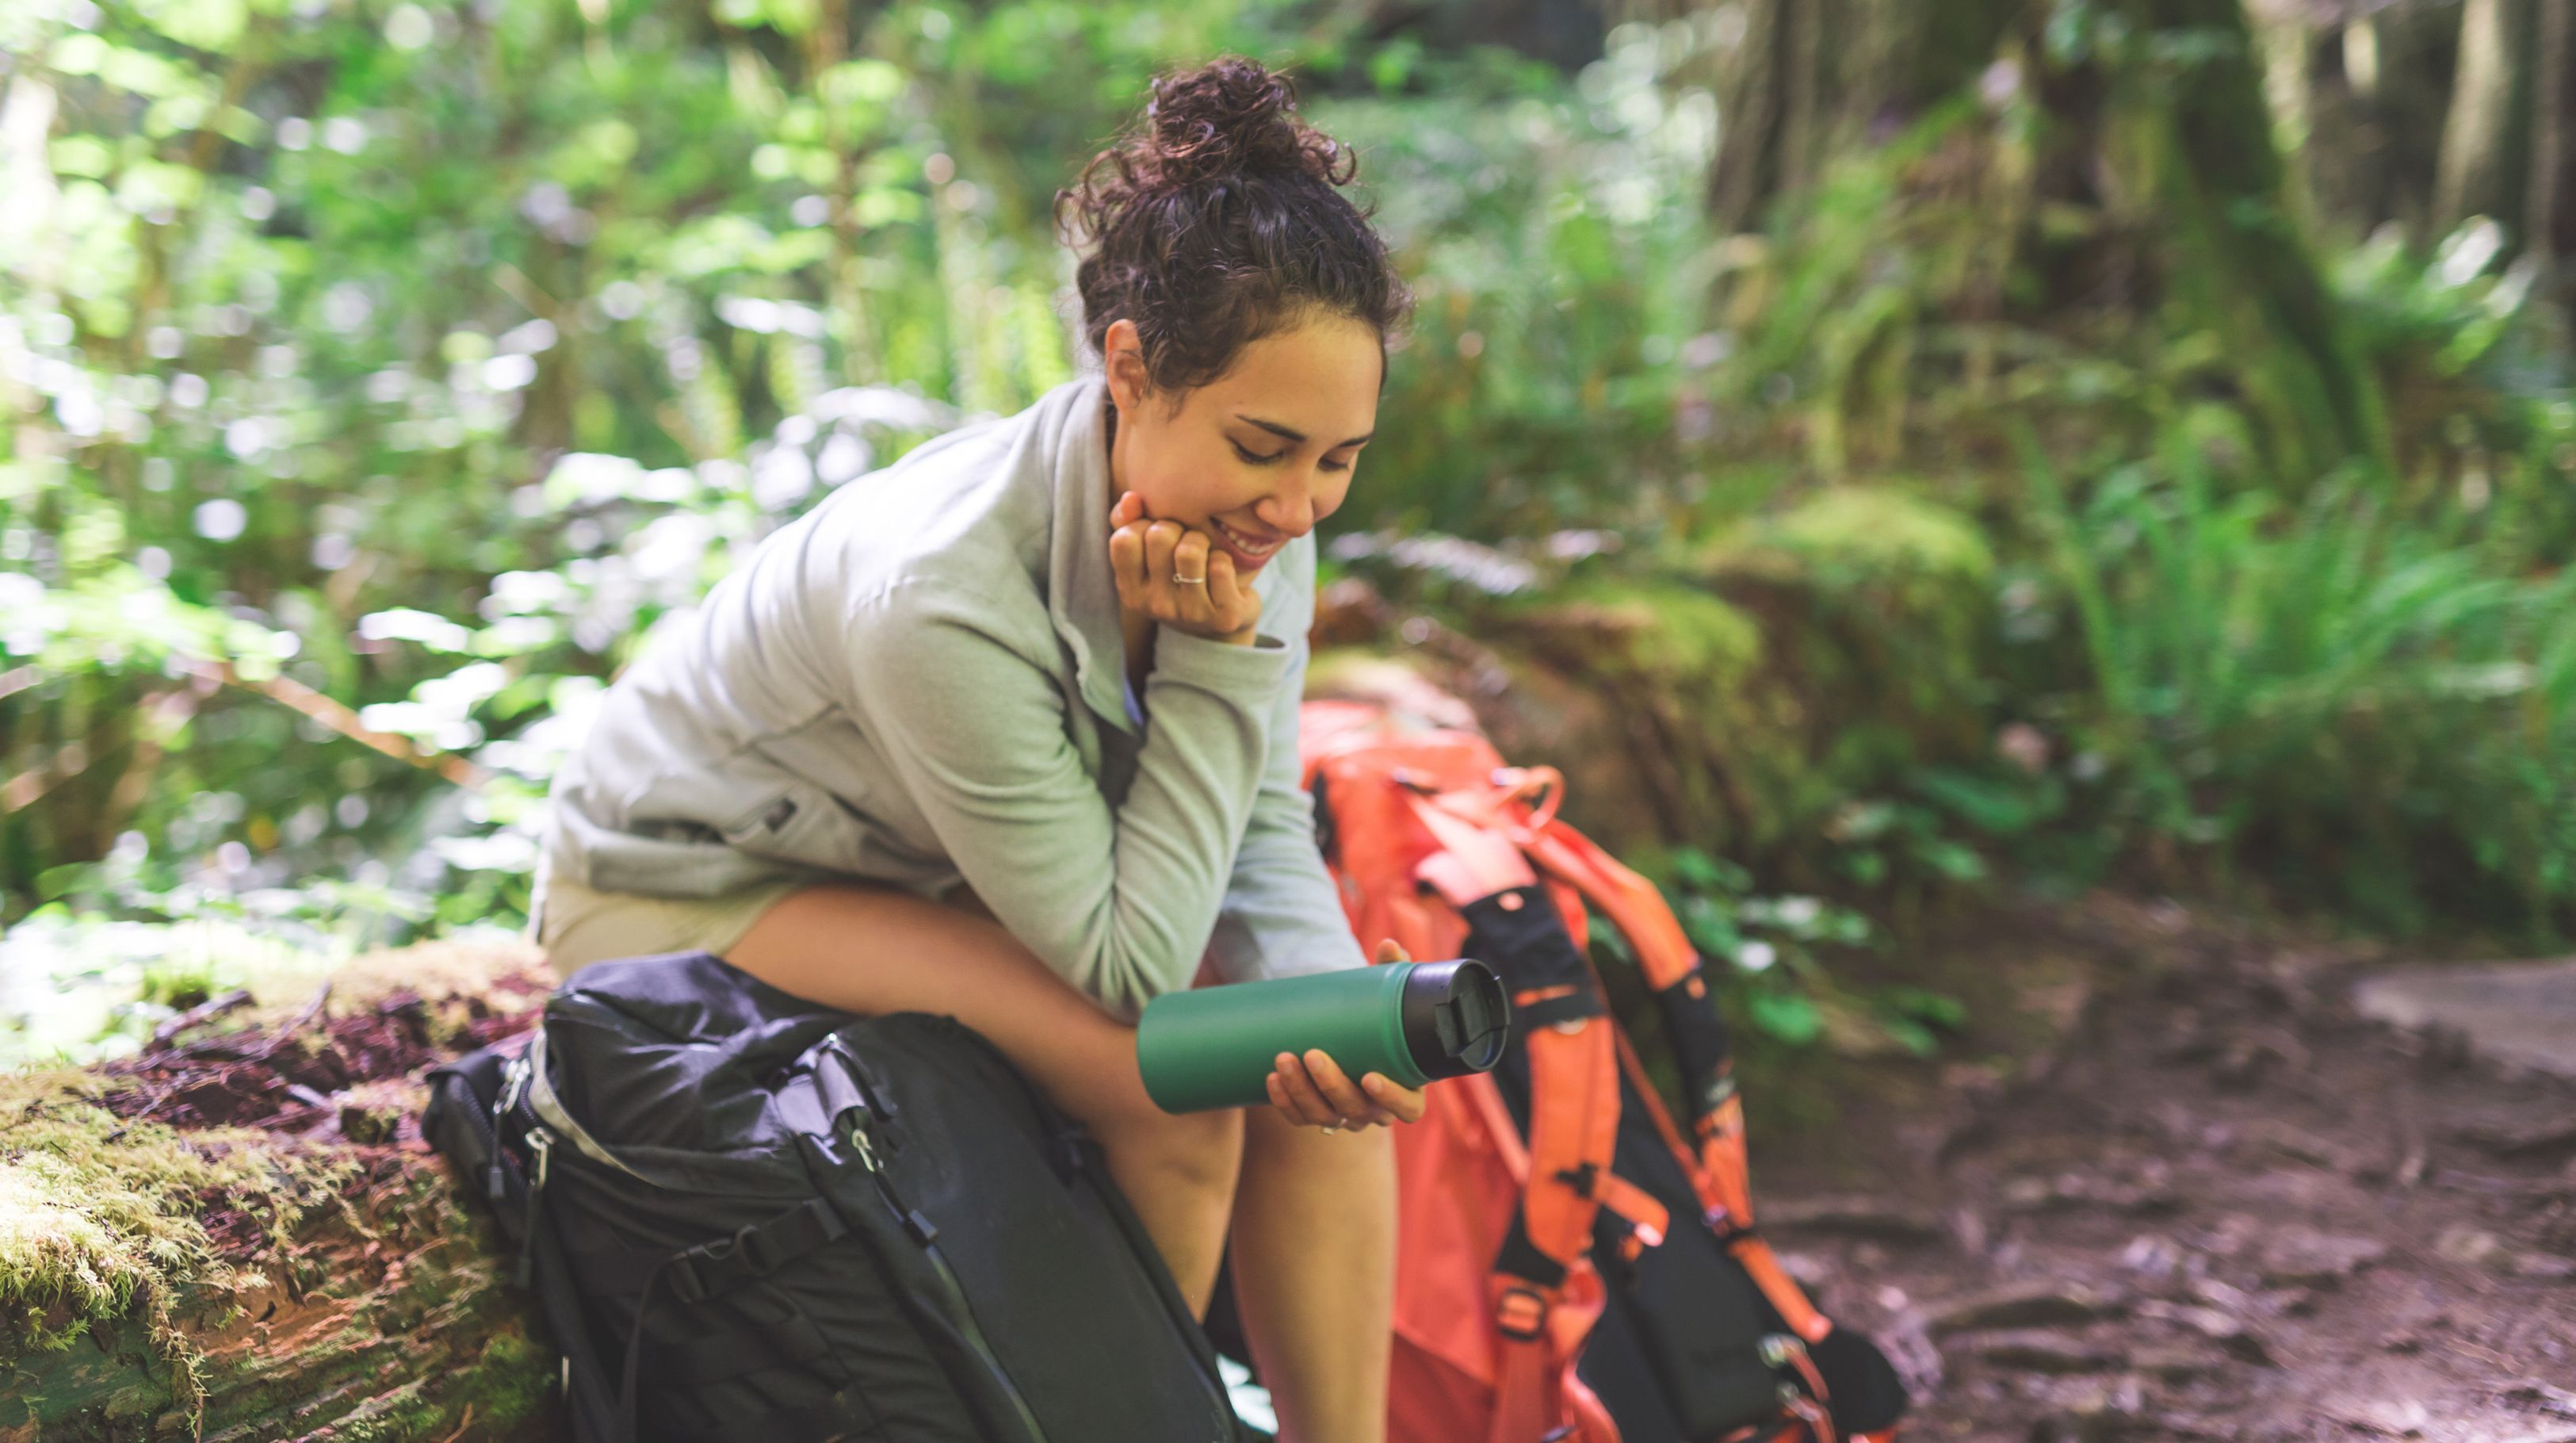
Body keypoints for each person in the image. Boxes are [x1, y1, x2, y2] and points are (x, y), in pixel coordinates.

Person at [529, 55, 1421, 1441]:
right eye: (1267, 446)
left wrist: (1324, 1013)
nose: (1298, 505)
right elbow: (1125, 972)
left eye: (1338, 460)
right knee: (1172, 1098)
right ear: (1128, 365)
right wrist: (1214, 661)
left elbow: (1252, 826)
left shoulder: (1240, 518)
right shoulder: (936, 591)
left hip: (913, 861)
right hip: (688, 881)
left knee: (1309, 1068)